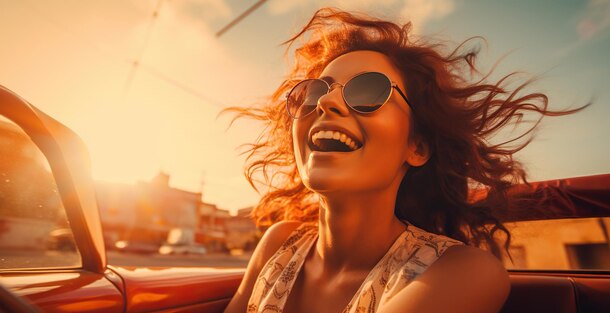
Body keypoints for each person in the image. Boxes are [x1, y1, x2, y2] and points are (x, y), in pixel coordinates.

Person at [223, 8, 585, 313]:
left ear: (418, 147)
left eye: (367, 90)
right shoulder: (279, 243)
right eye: (313, 91)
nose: (325, 103)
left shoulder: (466, 271)